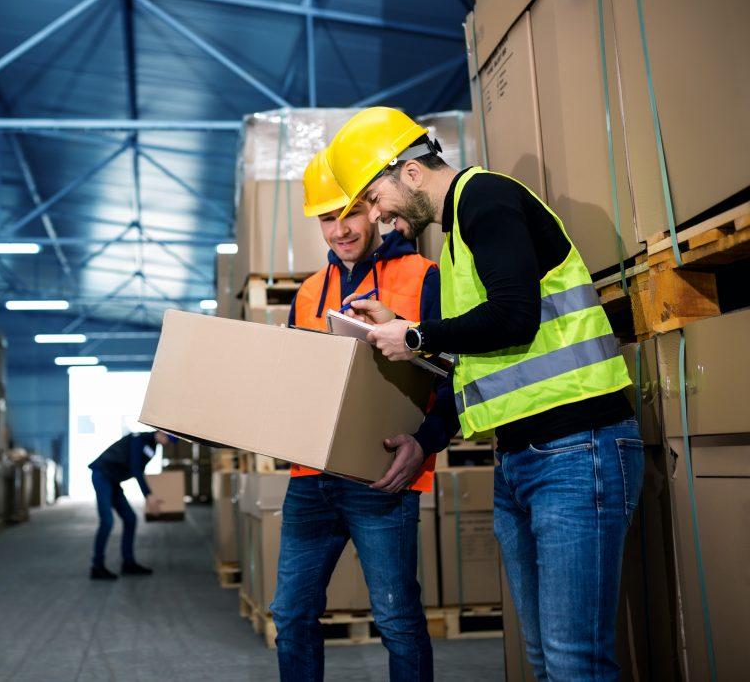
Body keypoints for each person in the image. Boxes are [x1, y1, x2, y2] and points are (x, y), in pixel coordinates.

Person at [328, 107, 642, 681]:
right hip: (523, 456)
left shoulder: (486, 199)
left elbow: (515, 317)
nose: (377, 216)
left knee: (575, 663)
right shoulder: (454, 241)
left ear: (411, 172)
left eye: (374, 197)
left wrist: (419, 333)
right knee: (546, 660)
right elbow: (476, 355)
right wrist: (402, 333)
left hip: (577, 447)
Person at [268, 149, 458, 682]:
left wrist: (428, 441)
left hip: (383, 476)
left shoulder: (424, 276)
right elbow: (292, 380)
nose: (340, 229)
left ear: (374, 208)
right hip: (310, 480)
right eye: (327, 218)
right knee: (291, 614)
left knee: (396, 620)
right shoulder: (307, 292)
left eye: (350, 212)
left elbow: (452, 375)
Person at [88, 429, 171, 580]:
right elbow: (135, 469)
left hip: (113, 480)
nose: (168, 443)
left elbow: (140, 470)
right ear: (160, 432)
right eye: (168, 438)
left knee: (130, 519)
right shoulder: (138, 439)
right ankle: (97, 567)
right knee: (107, 521)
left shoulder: (153, 447)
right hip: (102, 475)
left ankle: (128, 563)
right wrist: (148, 495)